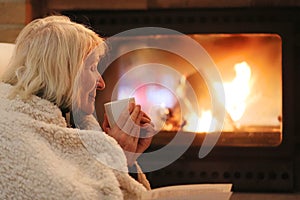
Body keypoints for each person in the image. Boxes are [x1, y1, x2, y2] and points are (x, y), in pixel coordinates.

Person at [0, 15, 155, 199]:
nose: (101, 83)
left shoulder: (66, 124)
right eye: (92, 68)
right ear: (64, 72)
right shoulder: (10, 132)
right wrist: (115, 153)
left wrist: (124, 159)